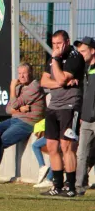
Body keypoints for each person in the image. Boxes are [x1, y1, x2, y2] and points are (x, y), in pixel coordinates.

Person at [0, 63, 46, 183]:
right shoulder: (19, 87)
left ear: (31, 73)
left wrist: (12, 88)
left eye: (24, 73)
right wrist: (20, 109)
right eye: (19, 73)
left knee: (0, 141)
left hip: (27, 122)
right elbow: (8, 109)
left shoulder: (34, 86)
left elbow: (14, 104)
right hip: (15, 119)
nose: (21, 76)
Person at [40, 30, 86, 197]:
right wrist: (61, 83)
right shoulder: (54, 58)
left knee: (67, 146)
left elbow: (59, 78)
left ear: (66, 42)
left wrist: (55, 62)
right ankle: (57, 185)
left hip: (69, 105)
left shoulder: (75, 57)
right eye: (53, 44)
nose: (56, 47)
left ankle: (71, 186)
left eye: (59, 44)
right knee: (52, 146)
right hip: (53, 105)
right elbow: (44, 81)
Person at [73, 36, 95, 195]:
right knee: (82, 154)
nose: (81, 54)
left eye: (83, 51)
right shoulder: (85, 69)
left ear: (93, 51)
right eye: (79, 52)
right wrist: (82, 114)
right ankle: (78, 186)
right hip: (87, 119)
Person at [31, 118, 54, 189]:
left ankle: (49, 178)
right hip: (53, 131)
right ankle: (44, 169)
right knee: (35, 145)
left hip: (56, 133)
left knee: (55, 156)